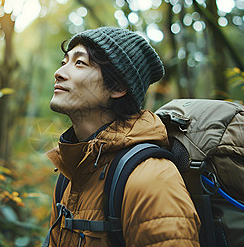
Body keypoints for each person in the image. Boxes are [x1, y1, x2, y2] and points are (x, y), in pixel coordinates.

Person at [44, 27, 201, 246]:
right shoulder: (72, 173)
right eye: (64, 62)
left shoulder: (151, 178)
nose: (59, 73)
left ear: (117, 87)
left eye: (79, 63)